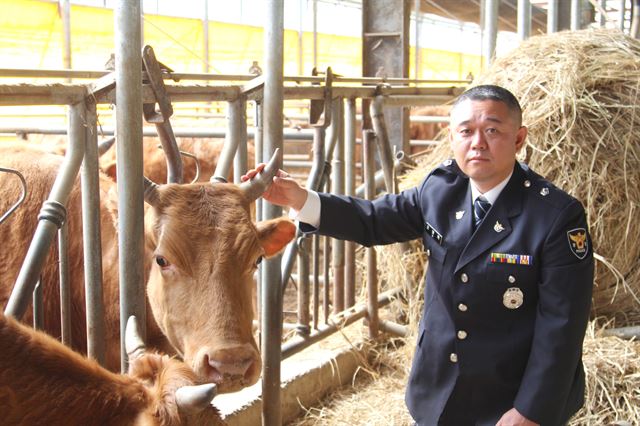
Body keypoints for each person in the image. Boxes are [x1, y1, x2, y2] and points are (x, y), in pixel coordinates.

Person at [242, 85, 594, 426]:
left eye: (492, 130)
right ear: (452, 137)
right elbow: (375, 220)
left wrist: (531, 411)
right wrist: (299, 198)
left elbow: (562, 326)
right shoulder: (440, 189)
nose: (478, 143)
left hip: (509, 398)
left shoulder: (555, 216)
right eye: (466, 131)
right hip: (438, 391)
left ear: (518, 139)